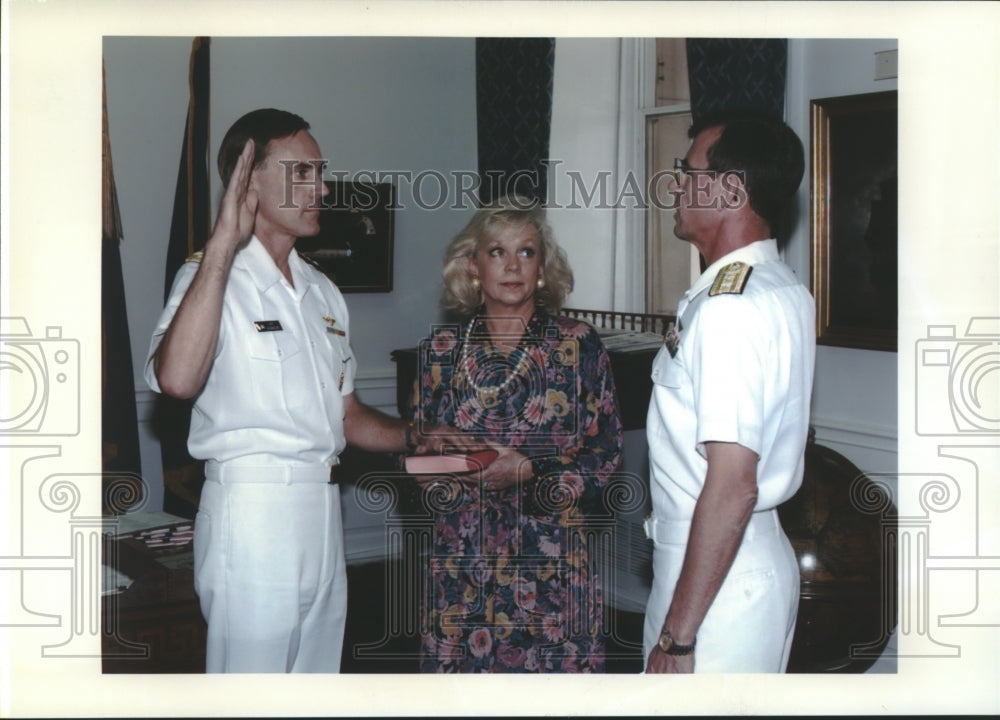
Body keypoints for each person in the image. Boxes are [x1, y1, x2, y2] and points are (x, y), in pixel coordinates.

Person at [145, 108, 464, 673]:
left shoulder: (322, 291)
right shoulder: (213, 279)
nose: (320, 187)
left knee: (314, 683)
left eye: (320, 172)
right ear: (248, 181)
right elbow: (176, 379)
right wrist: (223, 244)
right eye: (300, 172)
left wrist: (415, 435)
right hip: (252, 508)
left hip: (321, 507)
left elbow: (346, 415)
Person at [407, 196, 624, 672]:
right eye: (496, 252)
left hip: (550, 559)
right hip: (463, 560)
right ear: (472, 266)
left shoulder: (577, 344)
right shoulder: (440, 350)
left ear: (542, 268)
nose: (512, 266)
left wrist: (528, 469)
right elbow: (422, 450)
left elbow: (606, 456)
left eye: (526, 252)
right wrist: (430, 471)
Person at [643, 111, 815, 673]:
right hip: (740, 564)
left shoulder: (728, 309)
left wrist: (679, 638)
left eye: (686, 172)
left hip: (716, 584)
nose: (676, 186)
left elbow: (733, 485)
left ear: (731, 189)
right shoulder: (779, 285)